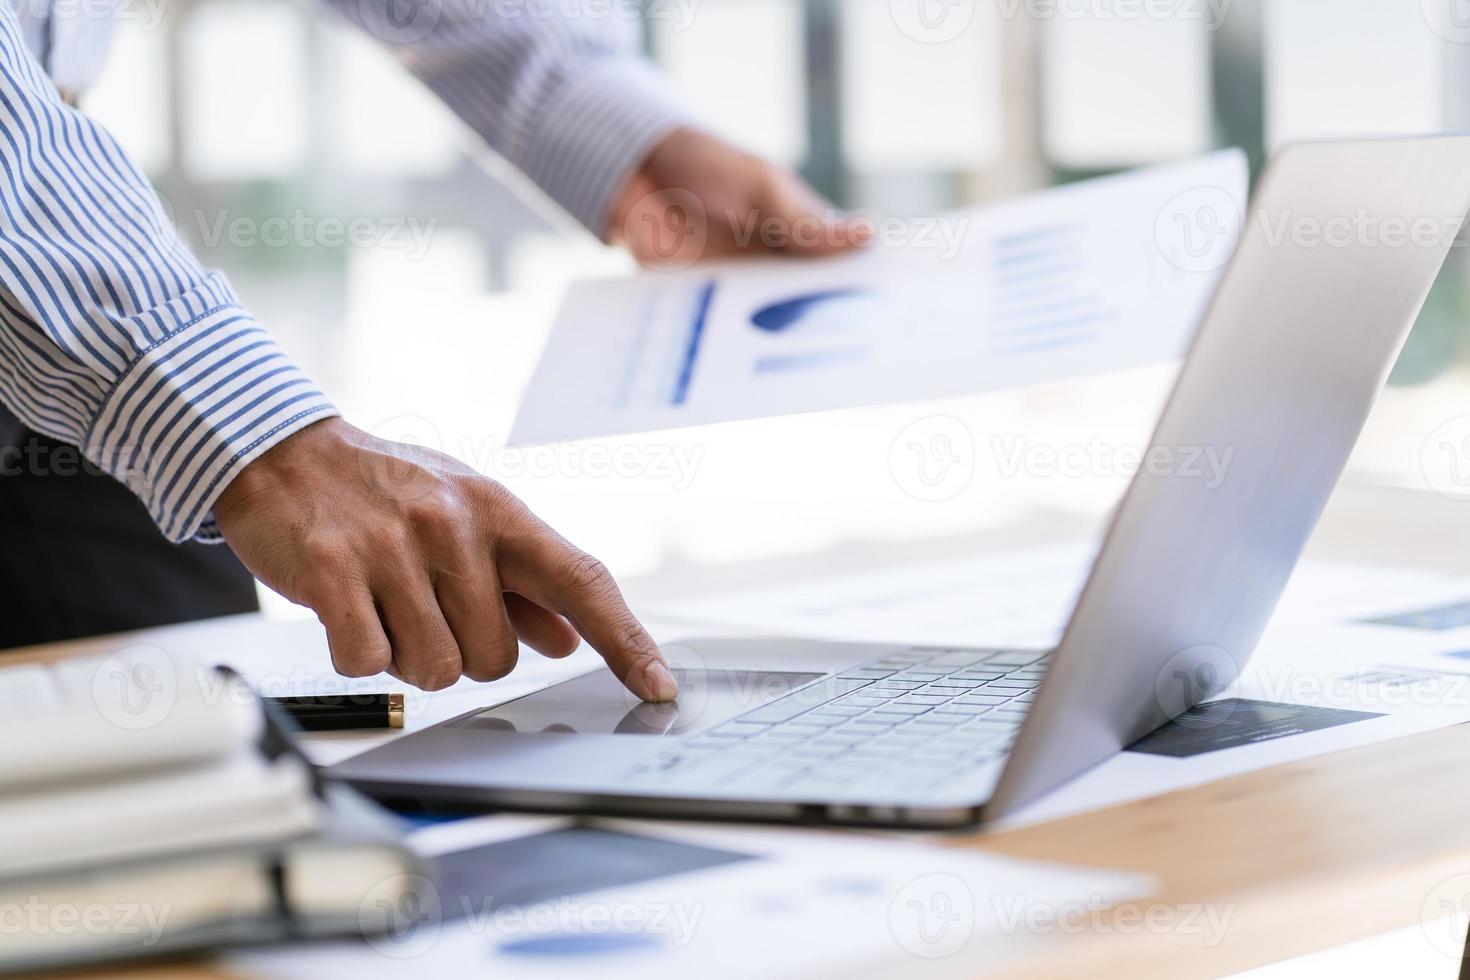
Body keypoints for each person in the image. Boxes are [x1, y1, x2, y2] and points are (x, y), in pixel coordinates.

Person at [0, 0, 867, 699]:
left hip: (57, 305)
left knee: (197, 769)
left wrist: (616, 126)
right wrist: (261, 442)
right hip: (65, 274)